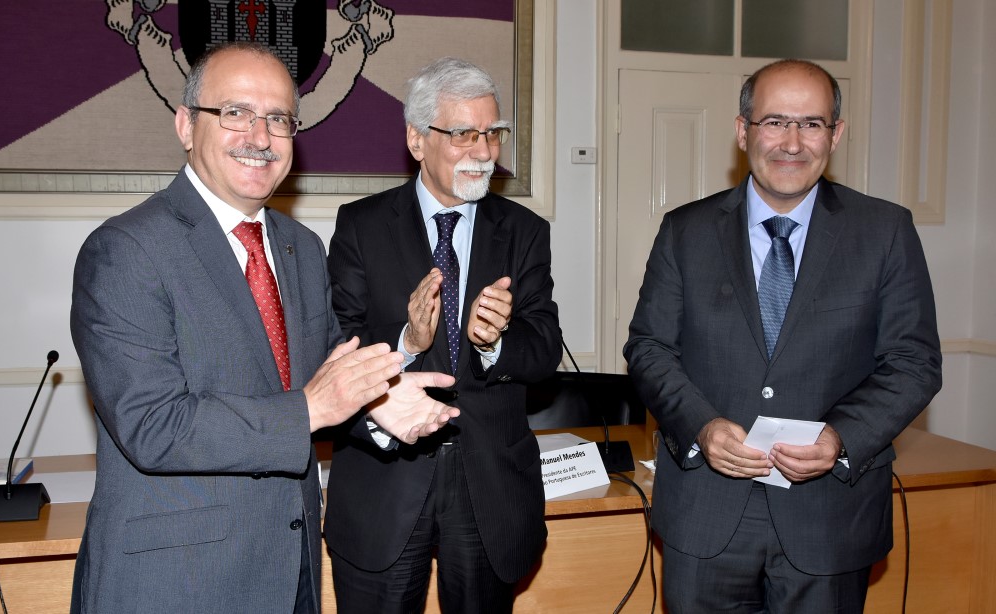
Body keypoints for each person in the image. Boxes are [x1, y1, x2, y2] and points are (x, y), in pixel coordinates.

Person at [70, 42, 459, 614]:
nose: (260, 136)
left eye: (279, 119)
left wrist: (380, 403)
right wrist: (311, 409)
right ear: (185, 126)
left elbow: (327, 374)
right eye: (235, 113)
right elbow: (153, 425)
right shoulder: (125, 250)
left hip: (291, 573)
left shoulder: (299, 247)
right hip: (175, 583)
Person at [624, 59, 942, 613]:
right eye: (774, 122)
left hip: (829, 517)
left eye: (811, 124)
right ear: (743, 130)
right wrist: (701, 424)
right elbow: (649, 349)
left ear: (836, 134)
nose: (792, 143)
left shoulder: (885, 232)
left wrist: (841, 437)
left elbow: (913, 362)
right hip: (707, 510)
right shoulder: (685, 231)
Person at [323, 57, 562, 613]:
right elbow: (336, 345)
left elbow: (545, 346)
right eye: (463, 134)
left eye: (492, 134)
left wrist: (495, 342)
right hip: (386, 480)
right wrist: (407, 340)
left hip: (489, 486)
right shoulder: (360, 226)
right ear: (416, 138)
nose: (482, 151)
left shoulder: (525, 232)